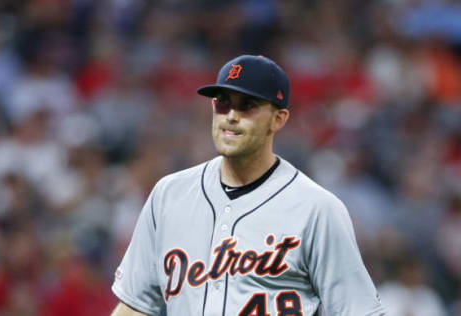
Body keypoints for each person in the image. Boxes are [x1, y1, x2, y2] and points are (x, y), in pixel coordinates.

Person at [110, 55, 385, 316]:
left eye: (247, 106)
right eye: (223, 102)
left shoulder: (317, 209)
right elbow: (135, 306)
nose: (231, 115)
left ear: (279, 119)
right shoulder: (169, 196)